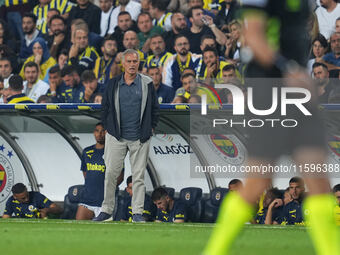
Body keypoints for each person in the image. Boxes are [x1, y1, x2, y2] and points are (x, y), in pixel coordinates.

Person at [203, 0, 340, 255]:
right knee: (257, 182)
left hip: (298, 93)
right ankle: (215, 251)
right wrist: (290, 71)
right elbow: (253, 37)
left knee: (318, 178)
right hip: (270, 90)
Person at [93, 49, 159, 222]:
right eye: (129, 61)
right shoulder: (113, 83)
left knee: (138, 177)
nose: (132, 65)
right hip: (116, 137)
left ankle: (137, 212)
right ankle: (106, 210)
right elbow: (105, 107)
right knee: (110, 175)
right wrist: (108, 128)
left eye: (135, 61)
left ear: (139, 63)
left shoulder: (147, 83)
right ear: (123, 64)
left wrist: (151, 127)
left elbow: (154, 108)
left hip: (140, 137)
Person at [76, 123, 124, 220]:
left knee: (104, 233)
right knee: (78, 229)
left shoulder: (114, 152)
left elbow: (120, 177)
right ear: (94, 133)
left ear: (107, 133)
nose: (100, 134)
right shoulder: (87, 151)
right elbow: (86, 173)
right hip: (87, 199)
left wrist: (107, 189)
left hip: (105, 202)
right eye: (97, 131)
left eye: (103, 131)